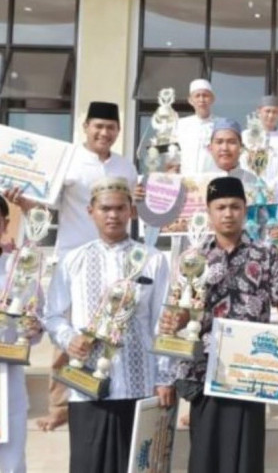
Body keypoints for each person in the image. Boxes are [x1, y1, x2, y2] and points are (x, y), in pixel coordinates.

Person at [160, 176, 278, 473]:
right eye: (221, 207)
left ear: (245, 210)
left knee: (246, 457)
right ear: (209, 212)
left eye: (235, 206)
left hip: (252, 372)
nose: (228, 213)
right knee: (205, 457)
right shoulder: (193, 257)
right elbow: (181, 309)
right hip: (207, 371)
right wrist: (176, 320)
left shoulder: (265, 255)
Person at [3, 101, 137, 432]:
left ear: (118, 131)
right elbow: (43, 205)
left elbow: (133, 210)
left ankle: (113, 389)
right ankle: (59, 406)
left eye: (110, 127)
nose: (104, 132)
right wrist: (22, 200)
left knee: (114, 324)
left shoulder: (127, 167)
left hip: (118, 259)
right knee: (64, 328)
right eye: (98, 126)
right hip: (72, 258)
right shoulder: (68, 161)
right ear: (86, 127)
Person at [42, 177, 174, 473]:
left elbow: (162, 323)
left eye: (119, 208)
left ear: (131, 211)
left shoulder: (153, 260)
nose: (112, 215)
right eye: (105, 208)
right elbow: (51, 314)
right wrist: (68, 338)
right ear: (91, 211)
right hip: (87, 387)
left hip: (138, 385)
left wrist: (165, 376)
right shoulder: (72, 260)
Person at [0, 195, 43, 473]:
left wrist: (33, 328)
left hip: (7, 382)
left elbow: (36, 324)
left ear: (5, 224)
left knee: (10, 464)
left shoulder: (19, 267)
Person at [242, 95, 278, 259]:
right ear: (259, 112)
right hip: (250, 196)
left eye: (274, 112)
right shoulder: (245, 136)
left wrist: (269, 188)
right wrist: (255, 188)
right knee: (250, 237)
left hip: (276, 197)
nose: (270, 115)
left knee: (276, 241)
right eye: (267, 111)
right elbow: (243, 164)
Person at [176, 78, 218, 175]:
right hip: (187, 181)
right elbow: (172, 155)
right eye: (197, 96)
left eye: (205, 95)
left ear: (212, 99)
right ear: (190, 100)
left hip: (213, 181)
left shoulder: (221, 125)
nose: (201, 99)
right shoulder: (180, 125)